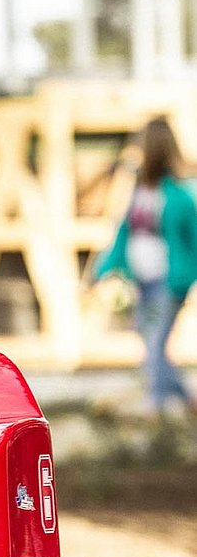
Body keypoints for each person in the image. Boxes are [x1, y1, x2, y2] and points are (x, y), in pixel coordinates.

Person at [93, 115, 197, 417]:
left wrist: (186, 277)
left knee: (155, 340)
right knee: (146, 335)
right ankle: (186, 397)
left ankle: (156, 404)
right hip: (142, 281)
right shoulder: (139, 192)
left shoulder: (179, 196)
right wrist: (102, 271)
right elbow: (124, 235)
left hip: (169, 283)